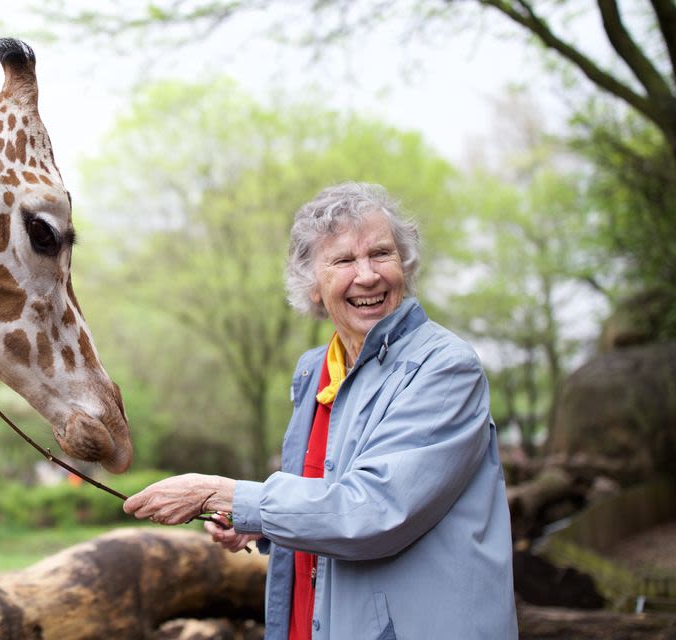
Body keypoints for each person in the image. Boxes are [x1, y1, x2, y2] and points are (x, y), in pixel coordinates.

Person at [123, 182, 518, 639]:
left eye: (381, 254)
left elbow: (373, 512)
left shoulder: (445, 368)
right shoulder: (316, 372)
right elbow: (322, 495)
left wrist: (225, 495)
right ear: (313, 285)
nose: (367, 275)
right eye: (344, 260)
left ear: (404, 266)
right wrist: (259, 528)